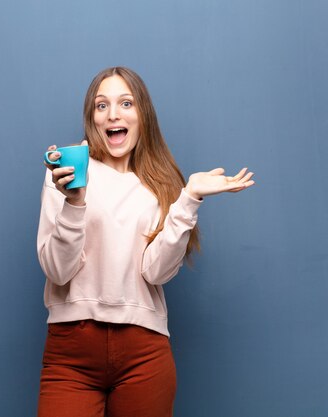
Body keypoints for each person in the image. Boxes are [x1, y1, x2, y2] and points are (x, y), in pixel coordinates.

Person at [36, 66, 255, 417]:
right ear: (92, 117)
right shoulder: (66, 174)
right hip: (71, 352)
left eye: (126, 103)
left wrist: (189, 199)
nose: (113, 114)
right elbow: (58, 272)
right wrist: (74, 200)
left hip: (144, 353)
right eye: (101, 105)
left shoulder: (160, 184)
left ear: (143, 115)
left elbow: (155, 273)